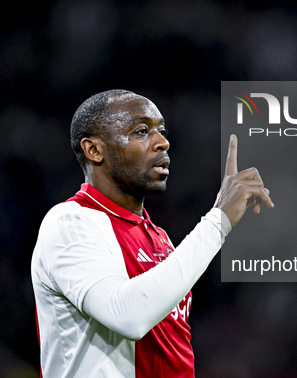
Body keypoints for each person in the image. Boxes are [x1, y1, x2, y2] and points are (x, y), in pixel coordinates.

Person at [31, 89, 274, 377]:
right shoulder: (70, 222)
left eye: (162, 130)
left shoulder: (159, 238)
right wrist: (218, 220)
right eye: (142, 131)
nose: (163, 142)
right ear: (94, 150)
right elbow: (128, 316)